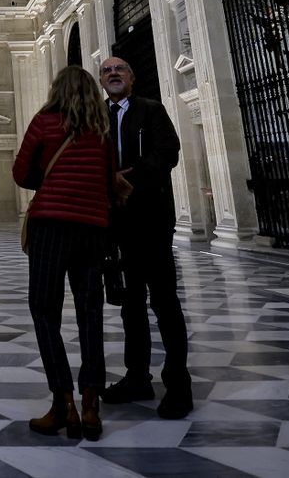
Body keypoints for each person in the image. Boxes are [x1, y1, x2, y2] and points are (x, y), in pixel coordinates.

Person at [13, 66, 120, 441]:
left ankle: (64, 403)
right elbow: (110, 178)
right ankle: (91, 406)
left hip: (52, 226)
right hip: (92, 228)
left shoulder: (45, 121)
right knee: (90, 312)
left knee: (45, 310)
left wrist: (50, 179)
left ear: (57, 90)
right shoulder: (102, 128)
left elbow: (21, 172)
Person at [99, 56, 193, 419]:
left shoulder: (151, 110)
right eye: (107, 71)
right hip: (115, 224)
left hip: (151, 219)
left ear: (132, 77)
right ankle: (137, 376)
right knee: (130, 305)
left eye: (119, 69)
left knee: (165, 302)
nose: (113, 74)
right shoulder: (98, 117)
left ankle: (178, 384)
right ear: (102, 81)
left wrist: (128, 180)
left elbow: (167, 153)